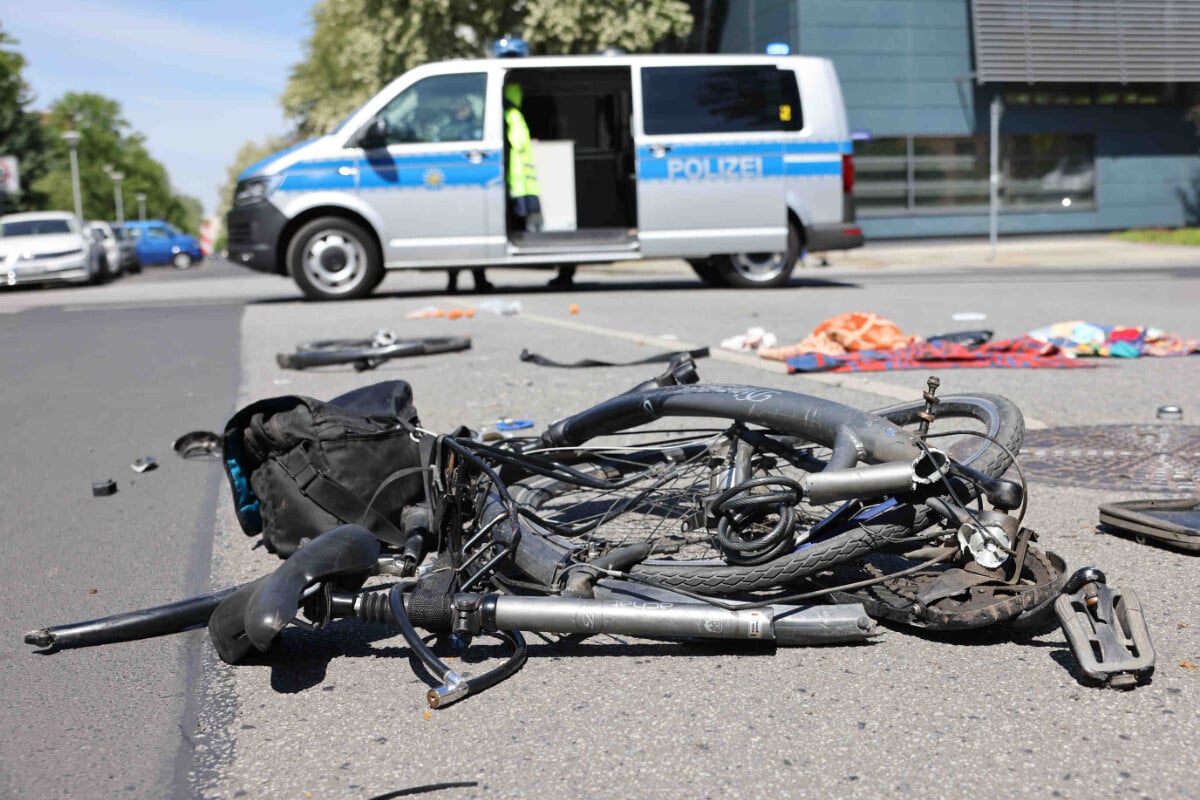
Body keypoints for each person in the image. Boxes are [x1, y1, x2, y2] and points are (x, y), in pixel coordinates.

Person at [504, 82, 542, 234]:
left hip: (518, 172)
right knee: (524, 207)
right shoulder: (514, 114)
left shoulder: (509, 113)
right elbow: (519, 142)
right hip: (519, 170)